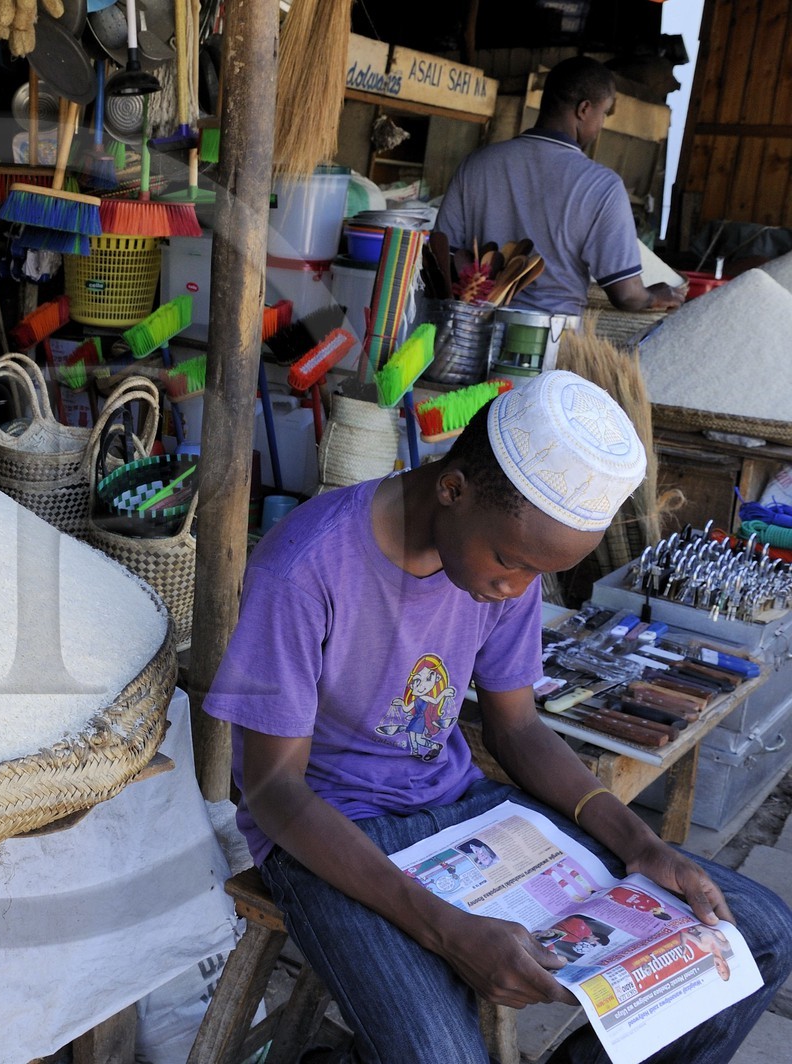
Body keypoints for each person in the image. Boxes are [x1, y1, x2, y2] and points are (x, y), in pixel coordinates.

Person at [204, 370, 792, 1063]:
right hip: (334, 835)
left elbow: (517, 729)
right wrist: (447, 931)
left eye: (532, 575)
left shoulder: (504, 562)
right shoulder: (305, 568)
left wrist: (639, 844)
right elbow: (273, 791)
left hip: (462, 808)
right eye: (511, 563)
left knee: (755, 932)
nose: (514, 590)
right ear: (451, 489)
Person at [435, 56, 682, 316]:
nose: (601, 125)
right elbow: (626, 295)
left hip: (472, 333)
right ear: (584, 110)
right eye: (604, 114)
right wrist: (654, 296)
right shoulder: (602, 186)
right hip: (551, 341)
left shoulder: (476, 164)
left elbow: (443, 256)